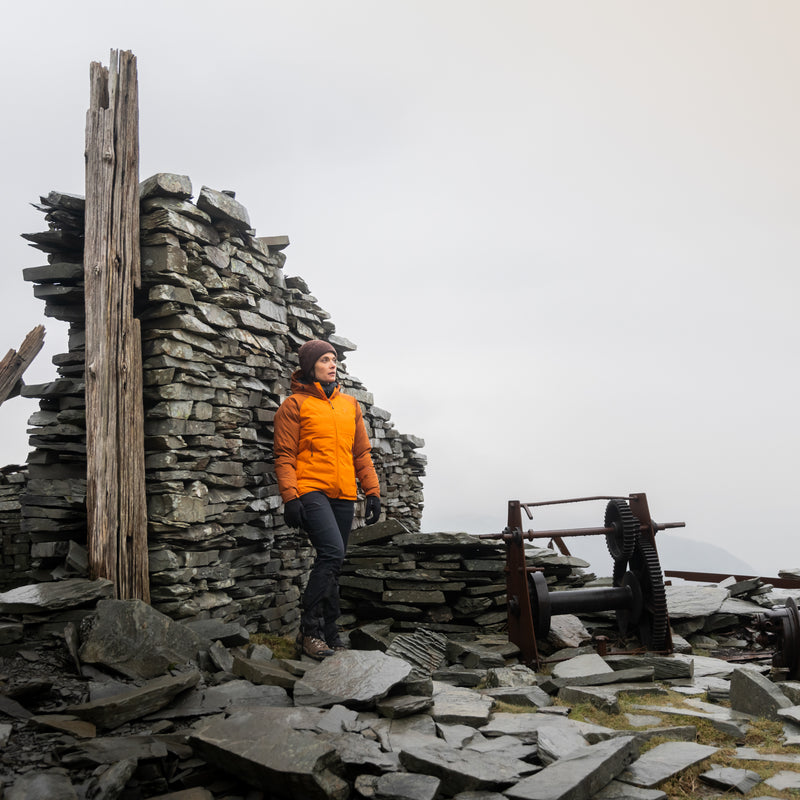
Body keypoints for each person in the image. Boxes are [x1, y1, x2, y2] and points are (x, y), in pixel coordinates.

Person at [273, 339, 381, 659]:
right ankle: (310, 631)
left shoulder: (350, 405)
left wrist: (372, 491)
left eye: (334, 359)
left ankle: (331, 633)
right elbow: (284, 455)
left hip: (344, 493)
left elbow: (360, 452)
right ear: (310, 367)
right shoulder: (294, 405)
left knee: (333, 563)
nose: (332, 364)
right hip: (310, 489)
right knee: (332, 552)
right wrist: (291, 497)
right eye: (324, 360)